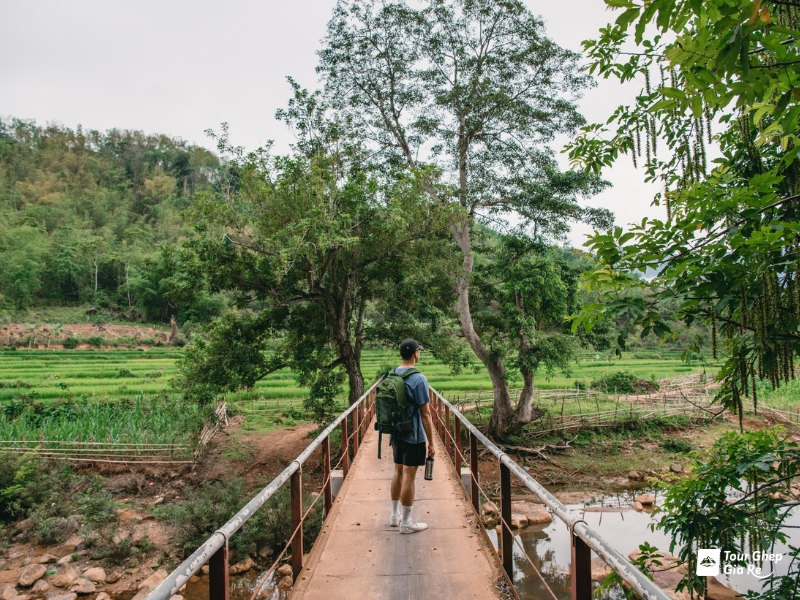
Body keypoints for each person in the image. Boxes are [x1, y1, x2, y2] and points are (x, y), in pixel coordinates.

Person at [389, 338, 435, 534]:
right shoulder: (418, 379)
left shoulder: (392, 373)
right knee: (409, 476)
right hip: (413, 435)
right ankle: (407, 523)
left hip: (396, 433)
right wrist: (432, 443)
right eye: (419, 351)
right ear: (416, 353)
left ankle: (394, 516)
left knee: (398, 471)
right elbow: (425, 414)